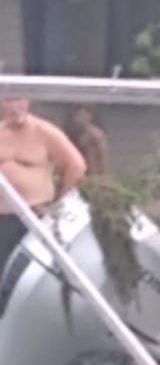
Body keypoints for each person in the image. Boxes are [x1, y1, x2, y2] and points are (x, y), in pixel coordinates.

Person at [0, 97, 88, 269]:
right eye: (9, 101)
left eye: (19, 101)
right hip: (2, 218)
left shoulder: (44, 131)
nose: (15, 107)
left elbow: (76, 166)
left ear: (27, 101)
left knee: (24, 271)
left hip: (34, 215)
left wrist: (57, 205)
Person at [65, 106, 111, 177]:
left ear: (89, 117)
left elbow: (102, 154)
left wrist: (104, 173)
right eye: (77, 116)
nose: (78, 119)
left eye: (81, 116)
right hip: (82, 171)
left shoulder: (95, 134)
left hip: (94, 172)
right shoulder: (76, 134)